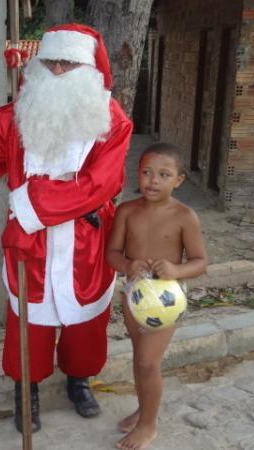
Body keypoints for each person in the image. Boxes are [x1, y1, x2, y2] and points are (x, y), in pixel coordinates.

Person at [0, 23, 133, 432]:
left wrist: (31, 202)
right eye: (50, 62)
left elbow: (101, 184)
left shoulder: (113, 120)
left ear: (87, 69)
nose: (56, 70)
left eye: (67, 63)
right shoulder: (19, 114)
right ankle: (26, 388)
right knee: (28, 319)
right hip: (28, 240)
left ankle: (79, 379)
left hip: (84, 240)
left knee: (84, 321)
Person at [106, 142, 207, 450]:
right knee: (140, 358)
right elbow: (111, 254)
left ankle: (149, 425)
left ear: (178, 180)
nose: (153, 180)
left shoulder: (185, 216)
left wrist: (176, 269)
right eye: (147, 172)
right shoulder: (126, 211)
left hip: (167, 300)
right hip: (134, 294)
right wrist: (128, 264)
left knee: (149, 362)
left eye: (164, 174)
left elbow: (200, 261)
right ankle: (143, 408)